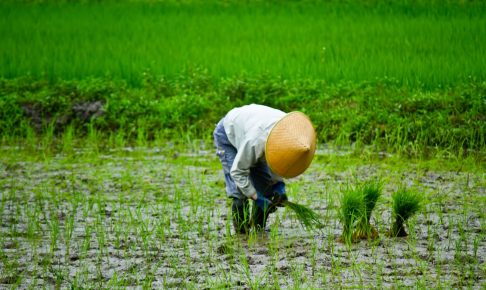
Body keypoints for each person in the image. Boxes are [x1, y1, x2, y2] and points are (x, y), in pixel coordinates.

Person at [213, 104, 316, 234]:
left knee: (266, 188)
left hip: (252, 130)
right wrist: (256, 197)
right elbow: (237, 172)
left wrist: (278, 184)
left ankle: (259, 229)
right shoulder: (255, 142)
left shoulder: (290, 132)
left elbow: (279, 160)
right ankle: (242, 233)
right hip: (229, 134)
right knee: (239, 192)